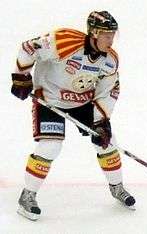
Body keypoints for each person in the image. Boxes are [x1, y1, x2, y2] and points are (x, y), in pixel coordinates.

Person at [11, 10, 135, 221]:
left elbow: (108, 92)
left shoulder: (110, 61)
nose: (111, 40)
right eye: (106, 35)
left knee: (108, 142)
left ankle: (117, 187)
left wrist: (100, 122)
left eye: (113, 35)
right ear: (94, 32)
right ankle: (27, 195)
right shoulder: (64, 41)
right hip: (50, 101)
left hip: (83, 103)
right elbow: (28, 48)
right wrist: (21, 77)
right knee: (50, 146)